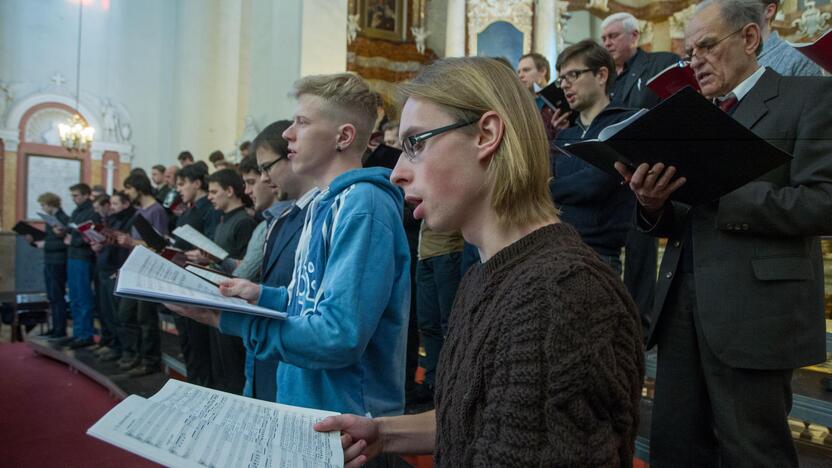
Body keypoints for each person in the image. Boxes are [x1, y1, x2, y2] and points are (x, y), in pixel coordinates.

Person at [314, 57, 644, 467]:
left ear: (486, 134)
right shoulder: (488, 273)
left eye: (415, 144)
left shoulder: (558, 297)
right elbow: (479, 415)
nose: (395, 172)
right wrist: (384, 432)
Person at [615, 0, 832, 465]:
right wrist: (653, 204)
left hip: (754, 312)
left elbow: (824, 202)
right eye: (689, 52)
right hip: (680, 307)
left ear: (750, 39)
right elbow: (686, 211)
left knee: (751, 450)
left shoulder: (807, 98)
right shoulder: (694, 116)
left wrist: (722, 193)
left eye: (707, 47)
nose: (694, 61)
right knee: (675, 445)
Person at [171, 72, 411, 417]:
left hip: (346, 419)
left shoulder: (364, 204)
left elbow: (338, 336)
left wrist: (229, 320)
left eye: (301, 122)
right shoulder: (322, 203)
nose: (287, 133)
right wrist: (261, 295)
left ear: (342, 136)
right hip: (306, 404)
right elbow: (311, 302)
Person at [551, 39, 637, 273]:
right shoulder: (565, 135)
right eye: (561, 79)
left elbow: (596, 184)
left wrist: (550, 188)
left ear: (601, 75)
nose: (565, 86)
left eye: (573, 75)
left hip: (598, 255)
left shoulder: (624, 123)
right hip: (556, 247)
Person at [249, 119, 317, 401]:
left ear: (291, 155)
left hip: (293, 358)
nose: (264, 178)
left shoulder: (322, 215)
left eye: (267, 167)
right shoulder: (283, 219)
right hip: (270, 358)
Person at [185, 168, 256, 394]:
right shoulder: (224, 221)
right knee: (220, 367)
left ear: (230, 191)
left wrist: (216, 259)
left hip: (235, 303)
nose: (209, 196)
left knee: (232, 369)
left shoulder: (244, 222)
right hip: (219, 297)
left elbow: (248, 268)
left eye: (215, 192)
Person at [170, 163, 220, 388]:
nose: (178, 189)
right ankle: (192, 383)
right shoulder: (189, 210)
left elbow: (211, 247)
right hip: (182, 273)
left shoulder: (208, 210)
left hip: (198, 279)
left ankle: (201, 387)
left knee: (199, 344)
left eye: (182, 184)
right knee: (188, 341)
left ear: (197, 183)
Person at [115, 172, 169, 376]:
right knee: (127, 313)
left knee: (146, 318)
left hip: (149, 271)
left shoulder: (157, 211)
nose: (127, 193)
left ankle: (149, 360)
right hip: (135, 268)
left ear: (138, 188)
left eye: (129, 188)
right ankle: (136, 354)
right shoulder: (140, 211)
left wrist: (132, 242)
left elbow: (159, 245)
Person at [93, 191, 136, 363]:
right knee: (107, 311)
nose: (112, 207)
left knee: (121, 315)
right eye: (111, 203)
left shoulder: (130, 219)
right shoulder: (112, 219)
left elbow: (127, 248)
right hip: (104, 266)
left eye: (116, 204)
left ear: (126, 204)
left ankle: (125, 349)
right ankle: (114, 345)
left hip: (116, 269)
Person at [57, 183, 100, 349]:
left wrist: (72, 239)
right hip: (72, 256)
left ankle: (86, 334)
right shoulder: (76, 211)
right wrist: (62, 232)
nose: (73, 199)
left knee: (83, 297)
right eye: (72, 196)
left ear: (85, 195)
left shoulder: (92, 212)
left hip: (83, 257)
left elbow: (91, 237)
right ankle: (77, 332)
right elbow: (71, 229)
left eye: (76, 195)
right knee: (74, 297)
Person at [33, 192, 70, 339]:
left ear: (50, 204)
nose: (42, 208)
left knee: (57, 295)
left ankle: (60, 329)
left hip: (58, 261)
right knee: (52, 296)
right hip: (50, 260)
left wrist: (46, 244)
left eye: (43, 205)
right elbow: (50, 237)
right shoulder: (51, 219)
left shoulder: (63, 219)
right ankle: (55, 327)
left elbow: (65, 243)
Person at [756, 0, 823, 76]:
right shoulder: (740, 56)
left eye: (746, 3)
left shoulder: (798, 58)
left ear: (769, 11)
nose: (740, 11)